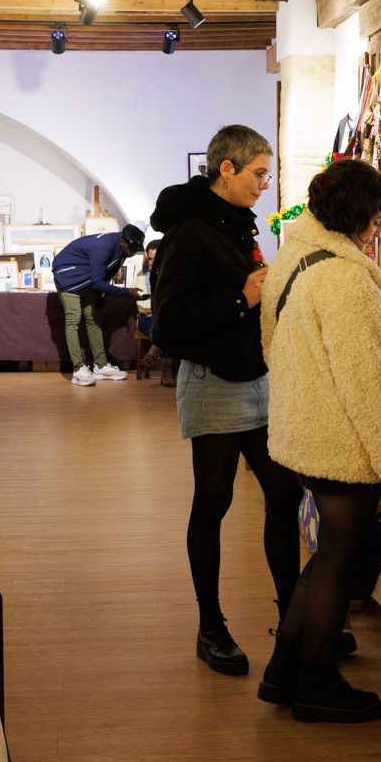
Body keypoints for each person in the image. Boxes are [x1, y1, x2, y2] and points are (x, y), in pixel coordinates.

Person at [257, 160, 381, 723]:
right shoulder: (346, 279)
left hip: (303, 431)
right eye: (375, 221)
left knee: (326, 556)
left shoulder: (294, 256)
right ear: (357, 216)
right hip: (340, 442)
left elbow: (271, 344)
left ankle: (284, 671)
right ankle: (316, 683)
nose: (377, 232)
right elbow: (370, 383)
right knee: (338, 562)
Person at [150, 125, 301, 676]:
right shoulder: (190, 233)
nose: (266, 183)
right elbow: (168, 323)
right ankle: (210, 626)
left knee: (284, 495)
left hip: (257, 378)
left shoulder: (235, 225)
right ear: (227, 169)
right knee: (213, 505)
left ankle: (296, 619)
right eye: (259, 173)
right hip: (214, 383)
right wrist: (243, 297)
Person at [51, 224, 143, 386]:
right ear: (123, 241)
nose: (134, 252)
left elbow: (104, 277)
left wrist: (101, 297)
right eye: (133, 248)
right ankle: (78, 369)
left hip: (86, 278)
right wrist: (127, 292)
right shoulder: (104, 246)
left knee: (94, 317)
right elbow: (97, 283)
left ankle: (100, 366)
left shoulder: (121, 251)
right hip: (67, 274)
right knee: (73, 318)